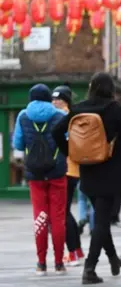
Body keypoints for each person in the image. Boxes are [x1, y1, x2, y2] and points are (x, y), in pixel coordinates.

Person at [53, 72, 121, 285]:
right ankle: (89, 268)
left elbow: (56, 131)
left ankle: (113, 259)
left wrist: (71, 152)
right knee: (101, 220)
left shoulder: (79, 108)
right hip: (111, 171)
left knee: (100, 218)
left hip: (87, 171)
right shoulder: (116, 109)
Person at [13, 84, 68, 276]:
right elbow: (68, 142)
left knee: (40, 216)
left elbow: (18, 144)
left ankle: (41, 263)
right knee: (58, 217)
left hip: (34, 174)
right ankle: (59, 263)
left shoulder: (23, 116)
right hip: (57, 172)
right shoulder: (60, 116)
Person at [51, 85, 85, 267]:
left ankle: (72, 252)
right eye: (53, 99)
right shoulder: (74, 116)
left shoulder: (62, 117)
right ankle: (77, 250)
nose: (55, 102)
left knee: (62, 213)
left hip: (66, 170)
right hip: (73, 169)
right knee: (65, 212)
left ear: (66, 101)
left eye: (59, 99)